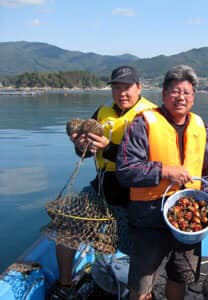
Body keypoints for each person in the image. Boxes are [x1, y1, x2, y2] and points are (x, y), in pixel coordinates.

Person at [47, 65, 157, 299]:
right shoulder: (102, 112)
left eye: (127, 87)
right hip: (102, 190)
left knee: (136, 249)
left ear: (139, 87)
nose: (122, 93)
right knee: (66, 224)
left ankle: (142, 293)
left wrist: (108, 148)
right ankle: (66, 284)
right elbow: (87, 154)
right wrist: (81, 146)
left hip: (135, 197)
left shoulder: (153, 116)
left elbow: (150, 162)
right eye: (116, 87)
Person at [116, 65, 208, 300]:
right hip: (149, 216)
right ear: (163, 93)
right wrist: (164, 171)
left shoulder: (201, 127)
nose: (181, 97)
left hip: (188, 221)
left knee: (180, 276)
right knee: (142, 284)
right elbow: (125, 170)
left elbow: (207, 173)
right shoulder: (143, 124)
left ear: (193, 97)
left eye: (187, 92)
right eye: (175, 91)